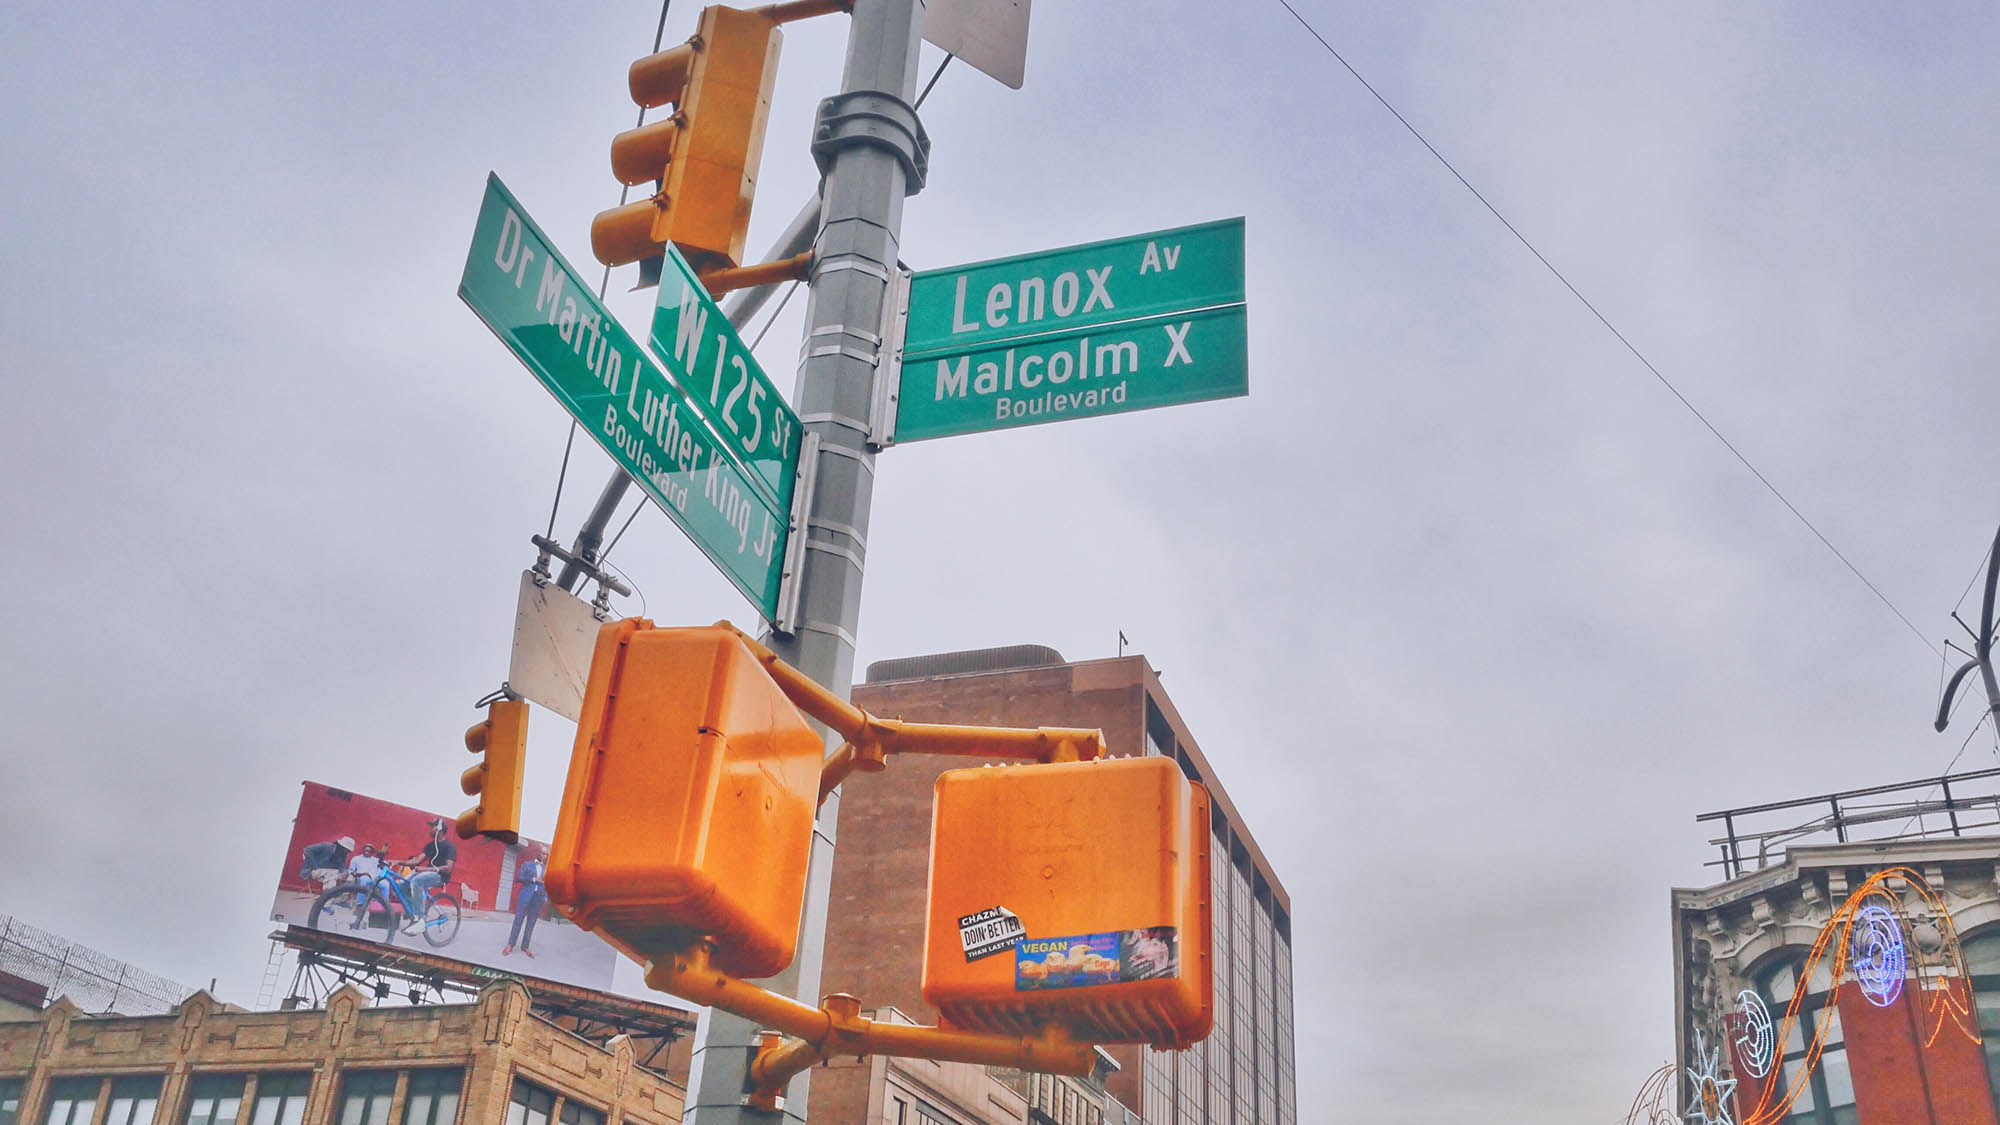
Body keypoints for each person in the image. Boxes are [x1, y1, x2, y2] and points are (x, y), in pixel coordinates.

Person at [398, 818, 458, 923]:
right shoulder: (430, 846)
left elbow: (448, 868)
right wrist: (397, 862)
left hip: (440, 877)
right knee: (401, 886)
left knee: (417, 881)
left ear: (439, 829)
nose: (430, 829)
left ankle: (420, 919)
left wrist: (425, 869)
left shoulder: (450, 847)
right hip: (427, 874)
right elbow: (416, 861)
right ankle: (413, 911)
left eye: (432, 827)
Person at [503, 846, 548, 957]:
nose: (544, 856)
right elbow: (519, 877)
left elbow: (547, 884)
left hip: (538, 899)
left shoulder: (547, 869)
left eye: (546, 854)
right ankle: (510, 944)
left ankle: (525, 946)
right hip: (525, 896)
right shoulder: (527, 865)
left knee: (531, 923)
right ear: (538, 853)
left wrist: (545, 898)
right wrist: (533, 879)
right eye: (542, 853)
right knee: (518, 920)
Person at [344, 844, 384, 927]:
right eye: (365, 850)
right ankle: (360, 905)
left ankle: (383, 907)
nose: (367, 852)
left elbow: (381, 869)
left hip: (373, 878)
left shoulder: (375, 860)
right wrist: (361, 873)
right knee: (364, 880)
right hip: (360, 877)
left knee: (385, 885)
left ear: (372, 852)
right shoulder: (356, 859)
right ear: (363, 851)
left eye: (369, 851)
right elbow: (351, 871)